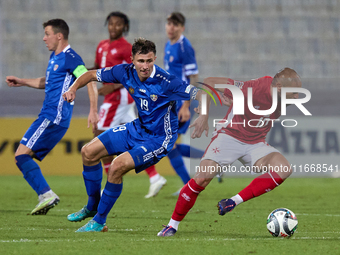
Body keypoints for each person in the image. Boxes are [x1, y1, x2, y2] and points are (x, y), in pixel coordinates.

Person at [63, 38, 199, 232]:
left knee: (117, 165)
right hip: (138, 128)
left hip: (159, 138)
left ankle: (99, 221)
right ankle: (92, 207)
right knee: (88, 151)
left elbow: (198, 92)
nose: (145, 66)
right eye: (141, 61)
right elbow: (91, 74)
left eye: (149, 61)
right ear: (132, 59)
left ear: (155, 59)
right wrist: (72, 88)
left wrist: (203, 107)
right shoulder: (124, 71)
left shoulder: (167, 81)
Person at [157, 67, 301, 236]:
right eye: (294, 93)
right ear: (278, 87)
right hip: (229, 137)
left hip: (255, 143)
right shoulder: (253, 88)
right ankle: (172, 225)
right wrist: (203, 114)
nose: (298, 97)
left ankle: (233, 202)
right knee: (201, 179)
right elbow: (209, 82)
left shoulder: (281, 99)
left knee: (284, 168)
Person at [5, 19, 96, 215]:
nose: (44, 38)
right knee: (23, 156)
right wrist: (22, 81)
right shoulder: (55, 58)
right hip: (50, 116)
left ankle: (46, 195)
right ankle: (45, 195)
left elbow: (88, 79)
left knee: (21, 155)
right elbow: (47, 82)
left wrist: (93, 110)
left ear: (59, 36)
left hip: (53, 116)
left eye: (47, 33)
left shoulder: (70, 57)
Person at [92, 12, 167, 199]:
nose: (113, 27)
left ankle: (108, 182)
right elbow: (95, 67)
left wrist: (112, 87)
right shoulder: (102, 46)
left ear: (125, 27)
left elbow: (133, 72)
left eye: (118, 24)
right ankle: (154, 177)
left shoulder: (126, 48)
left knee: (98, 134)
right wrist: (79, 73)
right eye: (110, 23)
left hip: (120, 98)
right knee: (138, 137)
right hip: (118, 100)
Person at [161, 12, 205, 196]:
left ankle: (188, 185)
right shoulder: (168, 45)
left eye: (175, 24)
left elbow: (193, 77)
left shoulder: (184, 47)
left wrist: (186, 106)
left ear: (182, 28)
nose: (171, 27)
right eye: (169, 23)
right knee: (169, 145)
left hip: (181, 103)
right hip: (172, 101)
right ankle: (209, 160)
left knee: (168, 145)